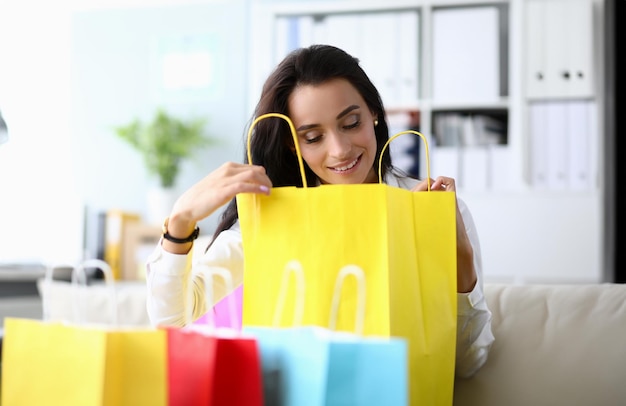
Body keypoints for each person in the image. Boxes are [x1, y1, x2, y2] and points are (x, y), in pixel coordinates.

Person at [146, 44, 494, 378]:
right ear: (291, 142)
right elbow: (173, 325)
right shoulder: (271, 221)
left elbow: (468, 363)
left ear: (373, 112)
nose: (340, 150)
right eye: (313, 137)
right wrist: (179, 222)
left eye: (351, 122)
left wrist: (462, 263)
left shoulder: (431, 206)